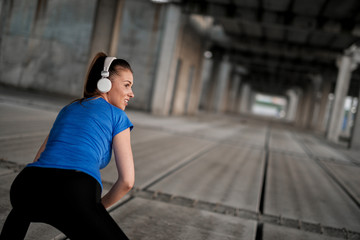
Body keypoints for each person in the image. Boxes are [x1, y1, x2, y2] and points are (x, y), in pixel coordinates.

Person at [0, 52, 135, 240]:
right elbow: (127, 182)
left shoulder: (69, 108)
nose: (131, 93)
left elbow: (39, 158)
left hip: (28, 186)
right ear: (106, 83)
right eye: (127, 85)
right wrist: (96, 210)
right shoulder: (118, 116)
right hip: (74, 193)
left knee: (21, 210)